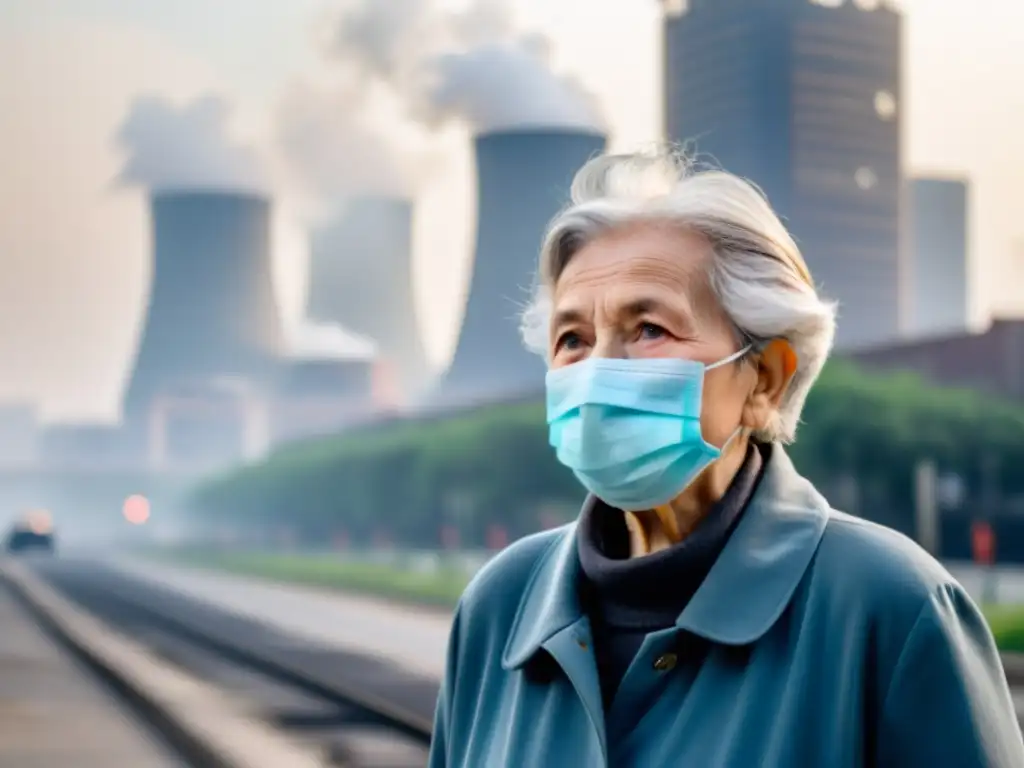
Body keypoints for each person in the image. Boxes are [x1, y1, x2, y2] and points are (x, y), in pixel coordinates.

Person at [428, 147, 1024, 767]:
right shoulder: (498, 607)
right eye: (572, 339)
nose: (599, 368)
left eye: (648, 329)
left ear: (763, 378)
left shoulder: (890, 611)